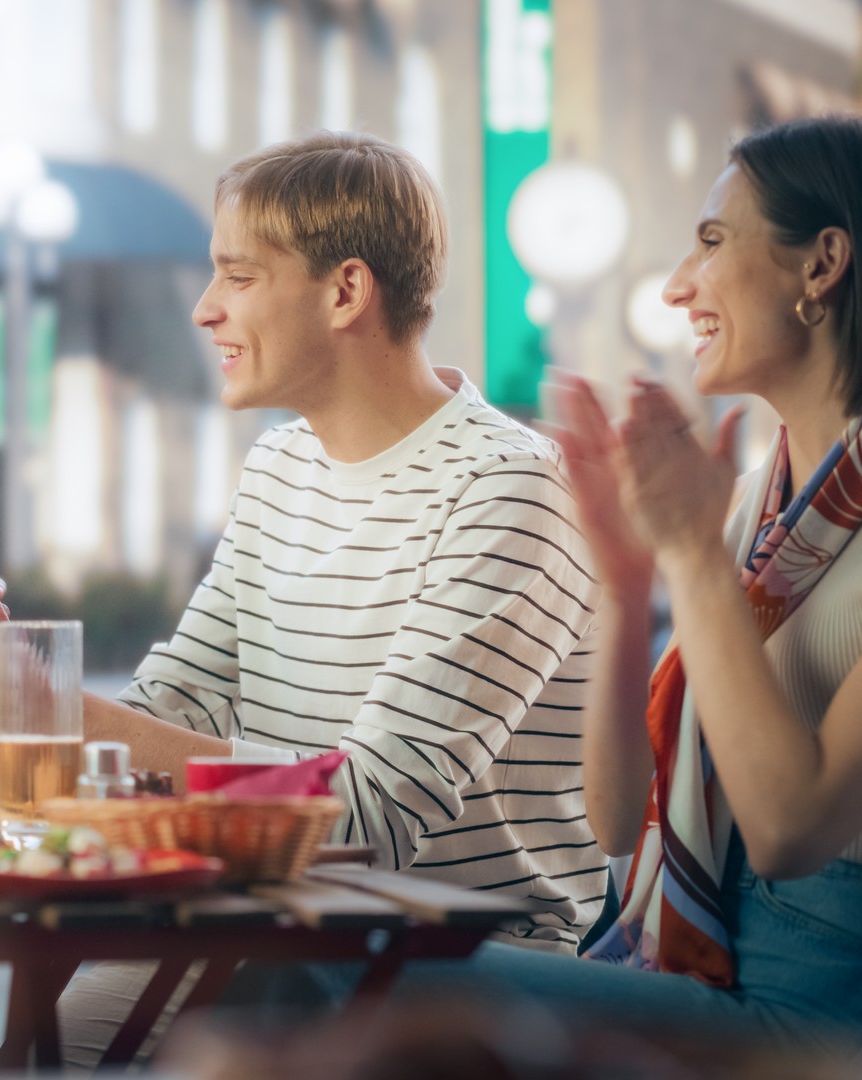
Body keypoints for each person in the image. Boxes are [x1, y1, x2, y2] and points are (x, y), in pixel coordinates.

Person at [0, 132, 607, 1065]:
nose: (205, 310)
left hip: (433, 965)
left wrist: (46, 713)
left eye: (238, 277)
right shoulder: (281, 465)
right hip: (260, 917)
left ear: (345, 293)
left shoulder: (506, 488)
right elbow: (176, 707)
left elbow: (366, 819)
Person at [332, 114, 862, 1053]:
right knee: (326, 941)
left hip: (813, 1008)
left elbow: (787, 831)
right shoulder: (751, 504)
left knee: (343, 964)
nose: (675, 285)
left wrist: (693, 558)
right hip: (701, 961)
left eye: (711, 240)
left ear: (822, 265)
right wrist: (624, 585)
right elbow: (618, 819)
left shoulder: (721, 524)